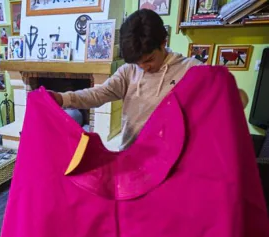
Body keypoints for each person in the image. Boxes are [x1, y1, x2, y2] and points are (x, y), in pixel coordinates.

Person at [49, 9, 249, 150]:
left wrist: (232, 95)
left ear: (164, 42)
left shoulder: (190, 70)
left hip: (170, 161)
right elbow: (99, 93)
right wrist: (62, 99)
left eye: (149, 59)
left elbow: (239, 99)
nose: (143, 67)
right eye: (138, 62)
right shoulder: (129, 71)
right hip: (130, 153)